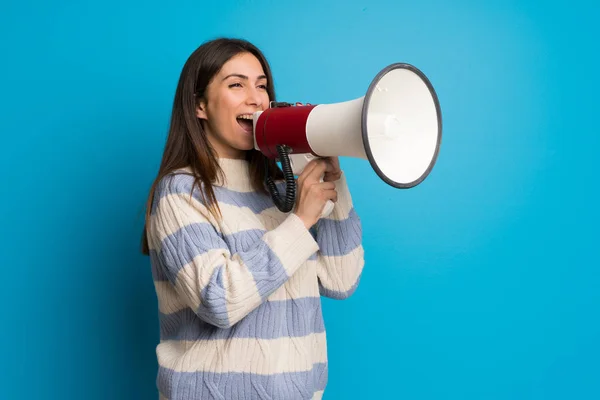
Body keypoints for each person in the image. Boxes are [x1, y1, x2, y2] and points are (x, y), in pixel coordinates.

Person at [141, 37, 365, 400]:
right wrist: (300, 221)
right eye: (236, 85)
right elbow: (219, 300)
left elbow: (341, 280)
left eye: (262, 85)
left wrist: (331, 177)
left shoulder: (281, 188)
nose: (255, 98)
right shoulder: (180, 192)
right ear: (200, 105)